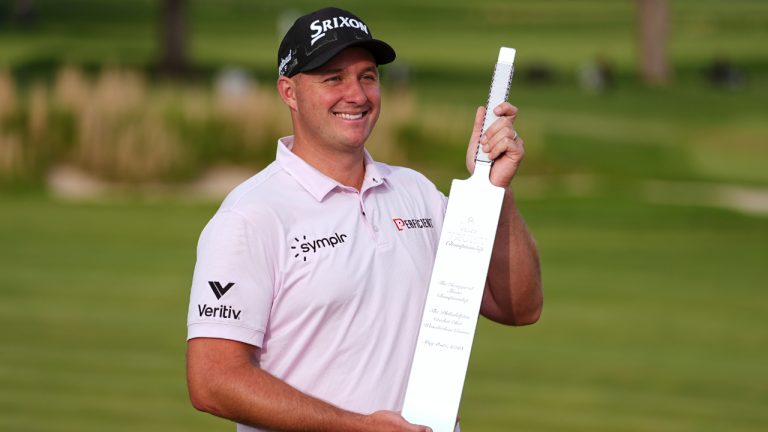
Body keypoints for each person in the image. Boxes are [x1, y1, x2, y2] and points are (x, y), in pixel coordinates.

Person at [186, 7, 542, 432]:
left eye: (367, 77)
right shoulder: (251, 216)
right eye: (332, 78)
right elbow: (212, 380)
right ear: (289, 92)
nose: (356, 95)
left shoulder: (415, 193)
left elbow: (517, 306)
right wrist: (359, 426)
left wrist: (493, 190)